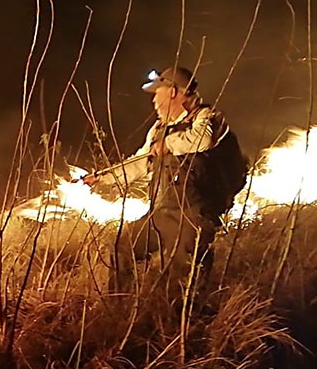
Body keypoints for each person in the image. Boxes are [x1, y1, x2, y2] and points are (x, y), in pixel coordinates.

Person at [82, 66, 248, 294]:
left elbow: (204, 140)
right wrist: (103, 178)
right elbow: (140, 163)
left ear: (173, 92)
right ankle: (120, 307)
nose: (153, 102)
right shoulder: (158, 129)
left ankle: (190, 324)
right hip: (160, 213)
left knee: (181, 282)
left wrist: (168, 145)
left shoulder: (208, 118)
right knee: (123, 246)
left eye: (157, 94)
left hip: (193, 217)